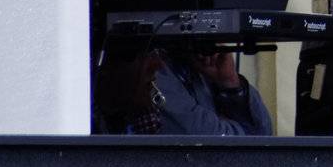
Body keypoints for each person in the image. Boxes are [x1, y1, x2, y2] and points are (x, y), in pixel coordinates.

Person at [97, 49, 273, 136]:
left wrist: (230, 83)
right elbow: (205, 137)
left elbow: (263, 136)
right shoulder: (149, 64)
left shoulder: (198, 63)